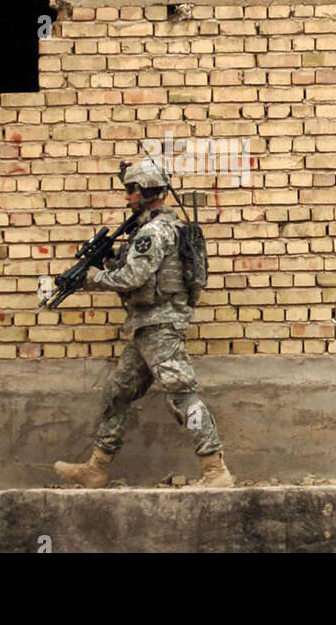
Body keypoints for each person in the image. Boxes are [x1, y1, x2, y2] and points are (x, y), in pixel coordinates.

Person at [53, 160, 233, 488]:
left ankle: (215, 471)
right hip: (145, 326)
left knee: (182, 395)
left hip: (160, 326)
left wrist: (93, 279)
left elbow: (134, 276)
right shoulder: (163, 228)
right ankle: (97, 468)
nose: (127, 198)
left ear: (145, 191)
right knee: (118, 393)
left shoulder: (153, 232)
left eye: (130, 190)